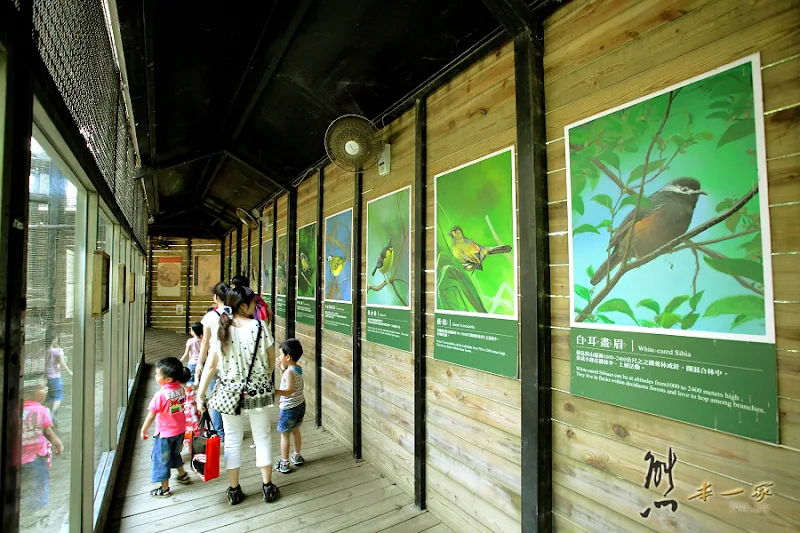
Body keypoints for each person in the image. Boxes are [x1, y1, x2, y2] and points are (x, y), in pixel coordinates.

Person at [196, 285, 279, 505]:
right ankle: (267, 487)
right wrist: (264, 377)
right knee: (262, 437)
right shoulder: (260, 327)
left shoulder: (223, 328)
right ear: (244, 305)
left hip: (228, 393)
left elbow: (211, 366)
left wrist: (200, 394)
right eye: (252, 302)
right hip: (258, 392)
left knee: (232, 440)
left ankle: (234, 490)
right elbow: (271, 360)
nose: (255, 305)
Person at [140, 357, 193, 498]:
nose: (155, 376)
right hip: (180, 430)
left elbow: (151, 415)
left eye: (158, 374)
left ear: (168, 379)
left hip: (164, 434)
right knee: (175, 454)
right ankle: (183, 475)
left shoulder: (161, 395)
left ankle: (164, 489)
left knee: (161, 460)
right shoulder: (181, 390)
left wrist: (143, 429)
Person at [21, 378, 63, 508]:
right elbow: (49, 433)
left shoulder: (15, 410)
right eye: (42, 388)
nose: (46, 389)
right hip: (38, 456)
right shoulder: (43, 410)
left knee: (23, 484)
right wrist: (58, 444)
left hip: (19, 457)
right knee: (40, 482)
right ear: (30, 392)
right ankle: (39, 506)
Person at [195, 282, 227, 442]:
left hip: (216, 361)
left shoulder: (210, 317)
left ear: (215, 297)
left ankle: (219, 432)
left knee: (215, 397)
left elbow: (205, 342)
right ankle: (228, 430)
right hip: (233, 363)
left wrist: (200, 363)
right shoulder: (235, 314)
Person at [273, 338, 306, 474]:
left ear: (288, 357)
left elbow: (289, 390)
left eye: (280, 354)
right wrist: (282, 369)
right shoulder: (297, 368)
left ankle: (285, 463)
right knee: (296, 430)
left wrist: (274, 392)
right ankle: (296, 455)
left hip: (289, 409)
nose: (278, 357)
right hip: (300, 405)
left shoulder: (289, 372)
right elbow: (290, 383)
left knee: (285, 436)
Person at [45, 334, 72, 424]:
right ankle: (52, 415)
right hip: (55, 377)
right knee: (58, 397)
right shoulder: (58, 351)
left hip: (48, 377)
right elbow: (62, 363)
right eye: (56, 338)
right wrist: (69, 372)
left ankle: (49, 419)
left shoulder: (47, 350)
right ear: (53, 340)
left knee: (50, 398)